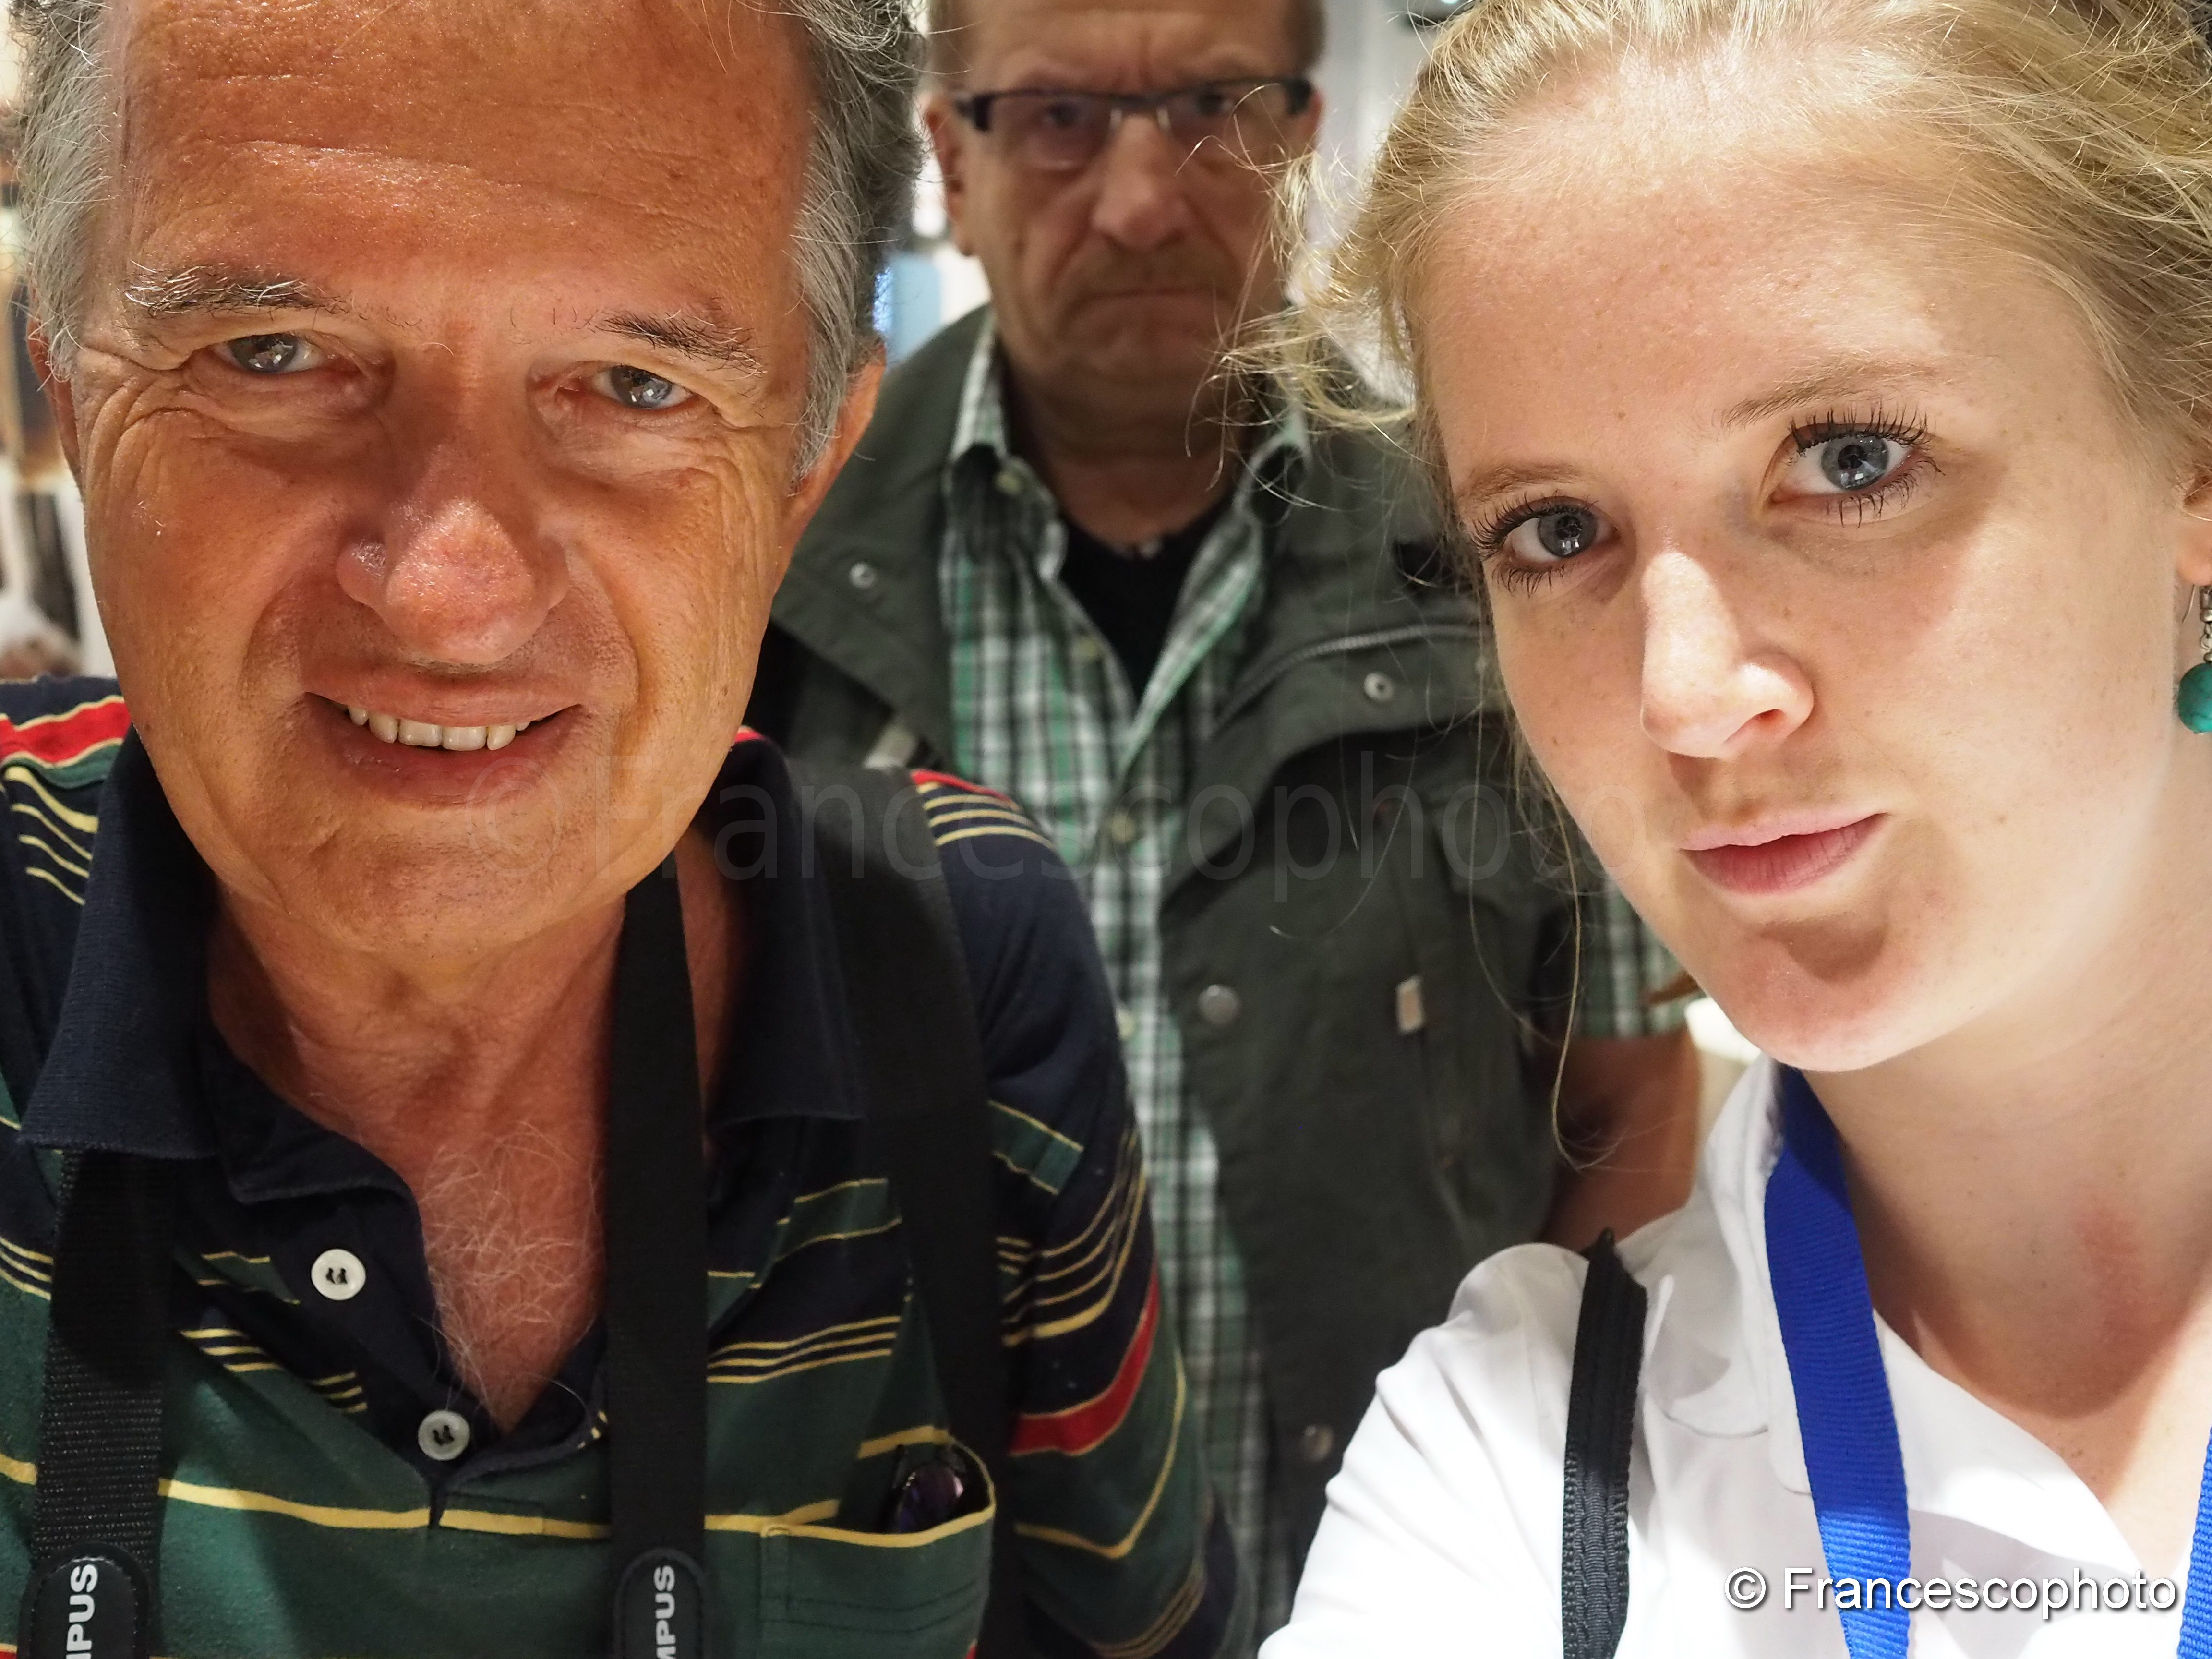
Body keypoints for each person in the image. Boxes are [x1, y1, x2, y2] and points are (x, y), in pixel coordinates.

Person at [0, 1, 1239, 1655]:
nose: (448, 597)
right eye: (274, 354)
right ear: (67, 385)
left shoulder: (952, 969)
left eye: (634, 386)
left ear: (809, 468)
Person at [745, 0, 1704, 1639]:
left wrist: (1518, 1502)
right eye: (1057, 119)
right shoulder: (773, 566)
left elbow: (1623, 1100)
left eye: (1209, 108)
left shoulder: (1507, 558)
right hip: (903, 1592)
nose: (1138, 203)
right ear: (951, 164)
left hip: (1399, 1583)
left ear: (1300, 142)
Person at [1262, 0, 2212, 1653]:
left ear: (2192, 458)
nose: (1684, 697)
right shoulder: (1513, 1472)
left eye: (1849, 459)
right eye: (1554, 533)